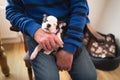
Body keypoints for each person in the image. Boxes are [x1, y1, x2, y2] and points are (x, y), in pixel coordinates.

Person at [6, 0, 97, 80]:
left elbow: (80, 7)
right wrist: (35, 30)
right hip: (37, 34)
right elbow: (12, 11)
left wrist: (69, 48)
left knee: (89, 77)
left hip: (70, 31)